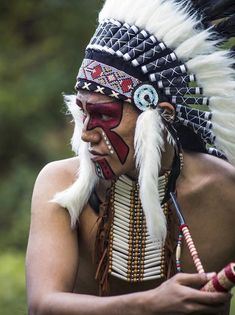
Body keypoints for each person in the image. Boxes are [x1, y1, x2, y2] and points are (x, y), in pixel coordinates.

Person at [26, 0, 235, 314]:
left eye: (103, 115)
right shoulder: (59, 183)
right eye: (83, 113)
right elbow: (43, 306)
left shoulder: (226, 192)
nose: (86, 133)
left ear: (161, 116)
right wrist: (152, 303)